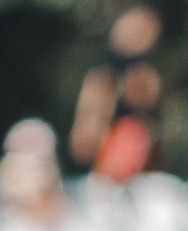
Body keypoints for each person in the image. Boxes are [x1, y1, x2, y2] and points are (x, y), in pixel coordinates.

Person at [70, 6, 165, 184]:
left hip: (137, 161)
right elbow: (84, 142)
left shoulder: (147, 75)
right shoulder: (102, 76)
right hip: (109, 159)